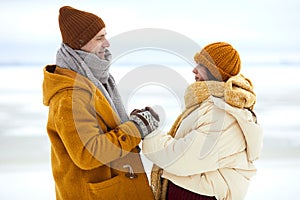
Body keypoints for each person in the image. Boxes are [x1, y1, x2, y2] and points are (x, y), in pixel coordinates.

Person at [42, 6, 159, 200]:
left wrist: (132, 122)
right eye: (99, 38)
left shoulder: (96, 80)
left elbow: (101, 128)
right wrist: (136, 128)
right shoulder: (70, 96)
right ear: (80, 44)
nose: (107, 43)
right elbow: (89, 153)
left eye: (105, 35)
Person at [142, 42, 263, 200]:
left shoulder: (224, 115)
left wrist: (150, 133)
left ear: (214, 71)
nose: (194, 69)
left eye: (201, 65)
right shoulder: (213, 105)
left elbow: (183, 159)